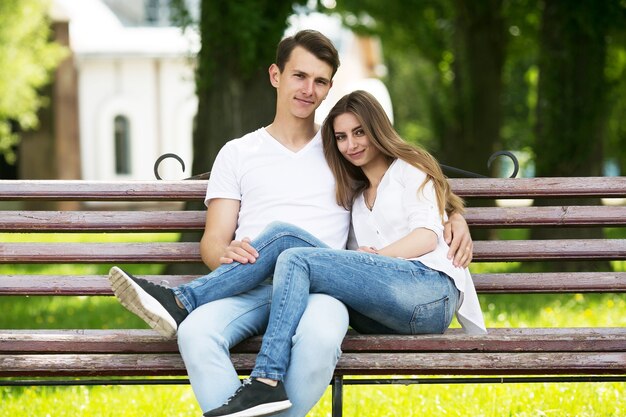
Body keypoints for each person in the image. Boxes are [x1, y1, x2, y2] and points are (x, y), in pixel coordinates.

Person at [108, 31, 474, 417]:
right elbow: (213, 242)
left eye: (319, 81)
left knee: (316, 332)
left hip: (324, 289)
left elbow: (395, 182)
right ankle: (192, 315)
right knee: (197, 333)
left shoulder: (339, 151)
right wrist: (223, 252)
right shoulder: (237, 153)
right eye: (299, 76)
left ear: (329, 87)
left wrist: (453, 215)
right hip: (251, 284)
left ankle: (183, 301)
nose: (308, 89)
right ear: (275, 75)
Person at [201, 90, 487, 417]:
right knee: (284, 237)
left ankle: (265, 377)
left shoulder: (409, 168)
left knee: (293, 256)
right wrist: (361, 263)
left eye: (359, 132)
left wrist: (378, 257)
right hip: (384, 313)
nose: (351, 145)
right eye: (341, 137)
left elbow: (425, 235)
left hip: (429, 295)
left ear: (377, 129)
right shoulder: (355, 197)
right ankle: (193, 307)